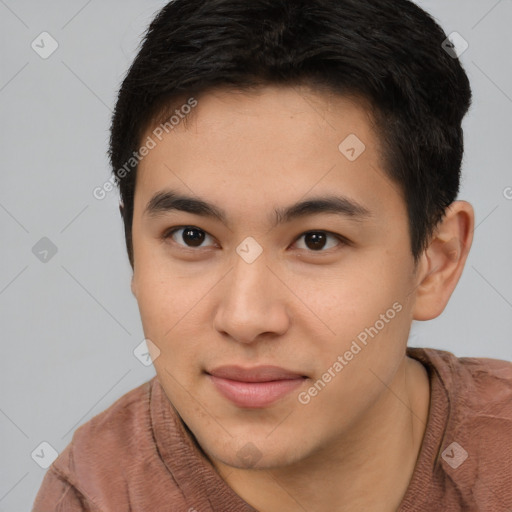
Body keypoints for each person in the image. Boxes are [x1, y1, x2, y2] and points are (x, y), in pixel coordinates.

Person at [33, 0, 512, 510]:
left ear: (435, 262)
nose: (245, 318)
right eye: (192, 237)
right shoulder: (97, 495)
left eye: (316, 240)